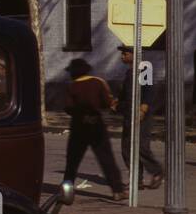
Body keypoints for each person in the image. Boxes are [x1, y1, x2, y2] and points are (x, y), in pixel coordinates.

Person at [63, 59, 125, 202]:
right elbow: (106, 102)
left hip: (78, 125)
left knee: (72, 161)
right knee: (106, 158)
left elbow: (68, 107)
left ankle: (67, 190)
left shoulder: (72, 86)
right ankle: (117, 190)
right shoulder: (98, 82)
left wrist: (79, 112)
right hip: (96, 124)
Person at [118, 46, 164, 189]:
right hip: (129, 115)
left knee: (141, 147)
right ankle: (136, 180)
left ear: (133, 54)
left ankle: (157, 172)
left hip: (141, 115)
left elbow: (149, 90)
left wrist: (143, 108)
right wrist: (117, 105)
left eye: (124, 54)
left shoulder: (145, 68)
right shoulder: (129, 72)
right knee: (127, 148)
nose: (122, 57)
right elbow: (126, 95)